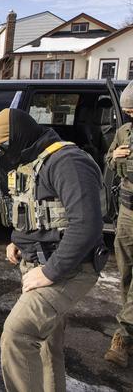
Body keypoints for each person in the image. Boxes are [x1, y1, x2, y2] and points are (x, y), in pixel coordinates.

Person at [0, 108, 104, 392]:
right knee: (46, 344)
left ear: (20, 136)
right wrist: (19, 240)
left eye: (4, 146)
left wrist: (50, 272)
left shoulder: (68, 162)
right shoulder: (32, 159)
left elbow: (86, 225)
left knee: (18, 335)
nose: (3, 153)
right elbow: (38, 212)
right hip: (41, 263)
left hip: (69, 268)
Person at [104, 81, 133, 368]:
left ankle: (122, 338)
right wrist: (114, 157)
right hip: (126, 211)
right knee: (125, 274)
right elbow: (108, 160)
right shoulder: (124, 132)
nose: (130, 115)